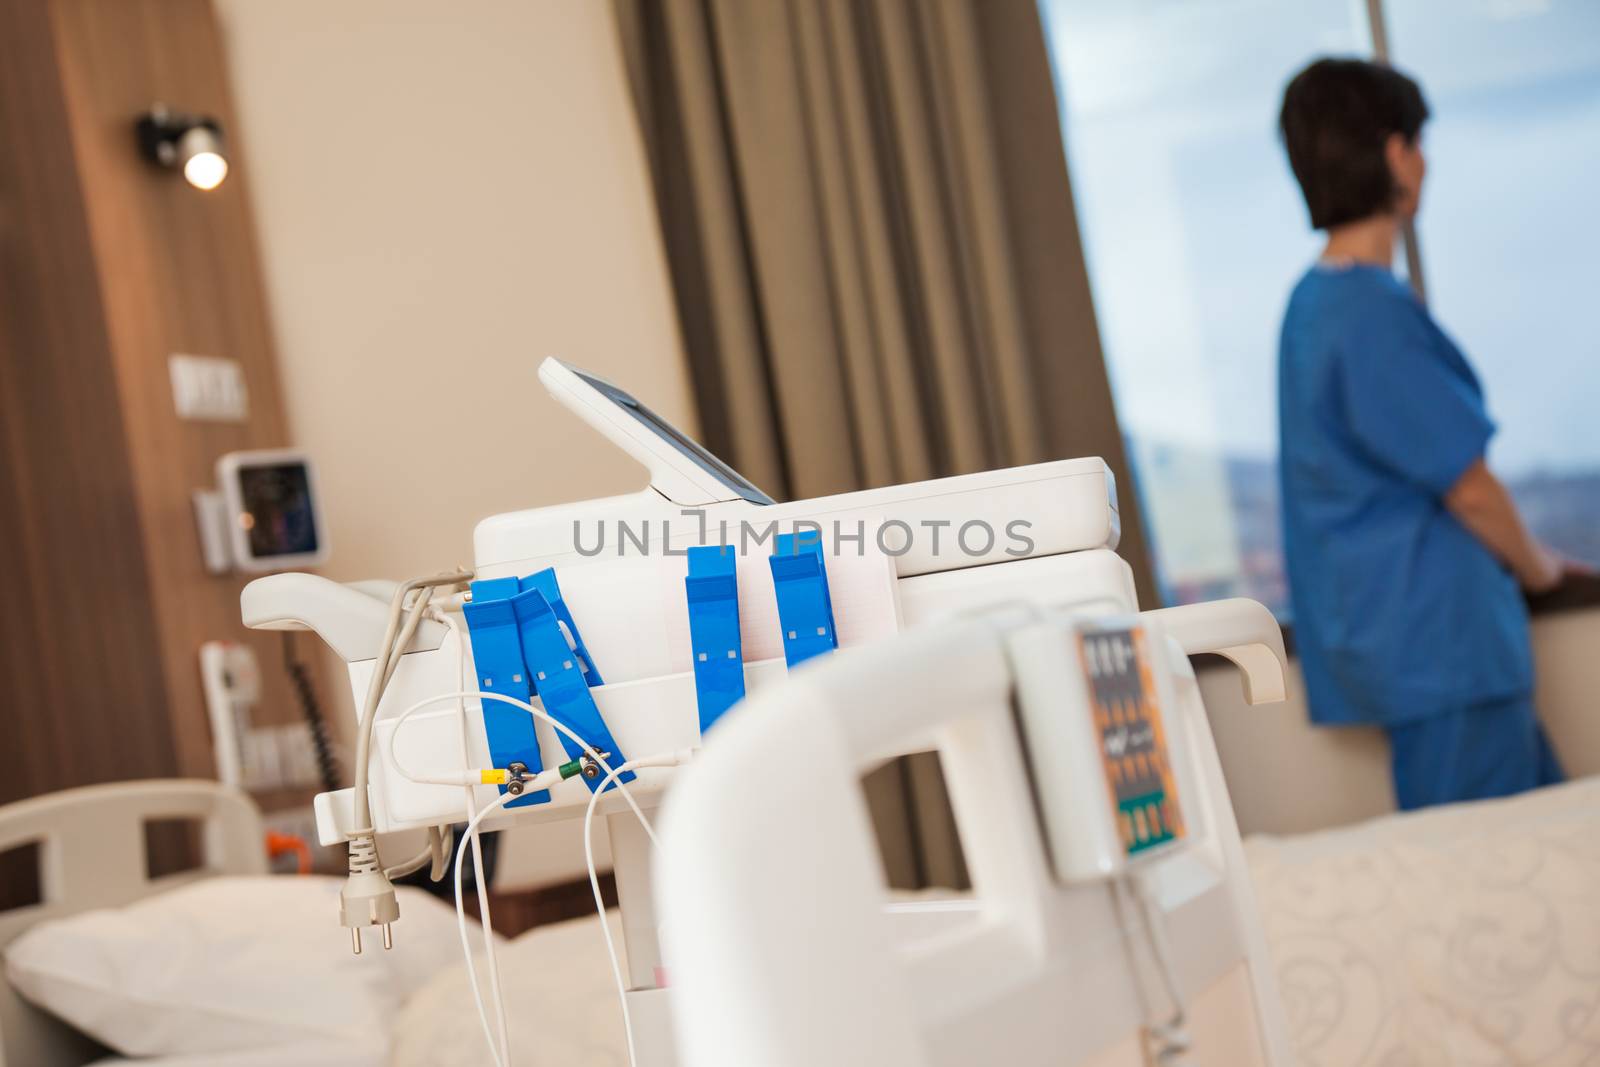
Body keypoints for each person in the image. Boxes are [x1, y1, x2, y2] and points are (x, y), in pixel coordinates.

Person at [1276, 57, 1588, 810]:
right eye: (1420, 142)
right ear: (1396, 155)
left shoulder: (1312, 307)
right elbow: (1470, 489)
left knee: (1544, 870)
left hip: (1419, 656)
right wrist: (1542, 568)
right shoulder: (1368, 313)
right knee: (1497, 889)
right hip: (1445, 655)